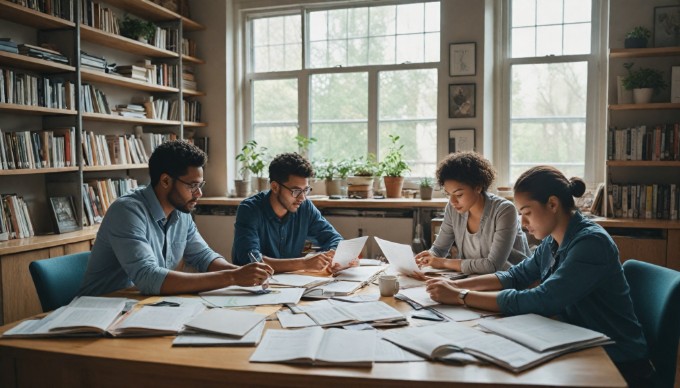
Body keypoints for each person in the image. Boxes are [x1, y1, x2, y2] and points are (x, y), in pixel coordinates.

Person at [425, 166, 653, 387]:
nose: (523, 224)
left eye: (527, 213)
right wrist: (454, 285)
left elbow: (543, 299)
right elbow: (514, 275)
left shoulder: (591, 243)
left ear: (552, 204)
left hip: (618, 362)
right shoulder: (553, 241)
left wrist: (461, 296)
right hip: (577, 341)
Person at [79, 140, 273, 296]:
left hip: (141, 305)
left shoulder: (181, 211)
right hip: (100, 312)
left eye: (200, 185)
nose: (199, 194)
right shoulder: (127, 211)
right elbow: (149, 278)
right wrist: (233, 277)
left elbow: (203, 257)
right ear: (165, 181)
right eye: (192, 186)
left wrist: (245, 274)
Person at [415, 151, 530, 275]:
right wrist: (429, 256)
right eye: (449, 194)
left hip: (514, 282)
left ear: (478, 187)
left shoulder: (505, 210)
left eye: (459, 194)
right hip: (476, 279)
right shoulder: (453, 208)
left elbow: (492, 265)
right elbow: (439, 249)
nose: (452, 201)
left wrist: (442, 262)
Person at [232, 152, 346, 273]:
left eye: (306, 190)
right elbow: (250, 260)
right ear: (275, 187)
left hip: (293, 284)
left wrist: (333, 256)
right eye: (296, 191)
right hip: (253, 285)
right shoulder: (249, 209)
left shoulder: (305, 206)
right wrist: (304, 263)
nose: (302, 198)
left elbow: (334, 238)